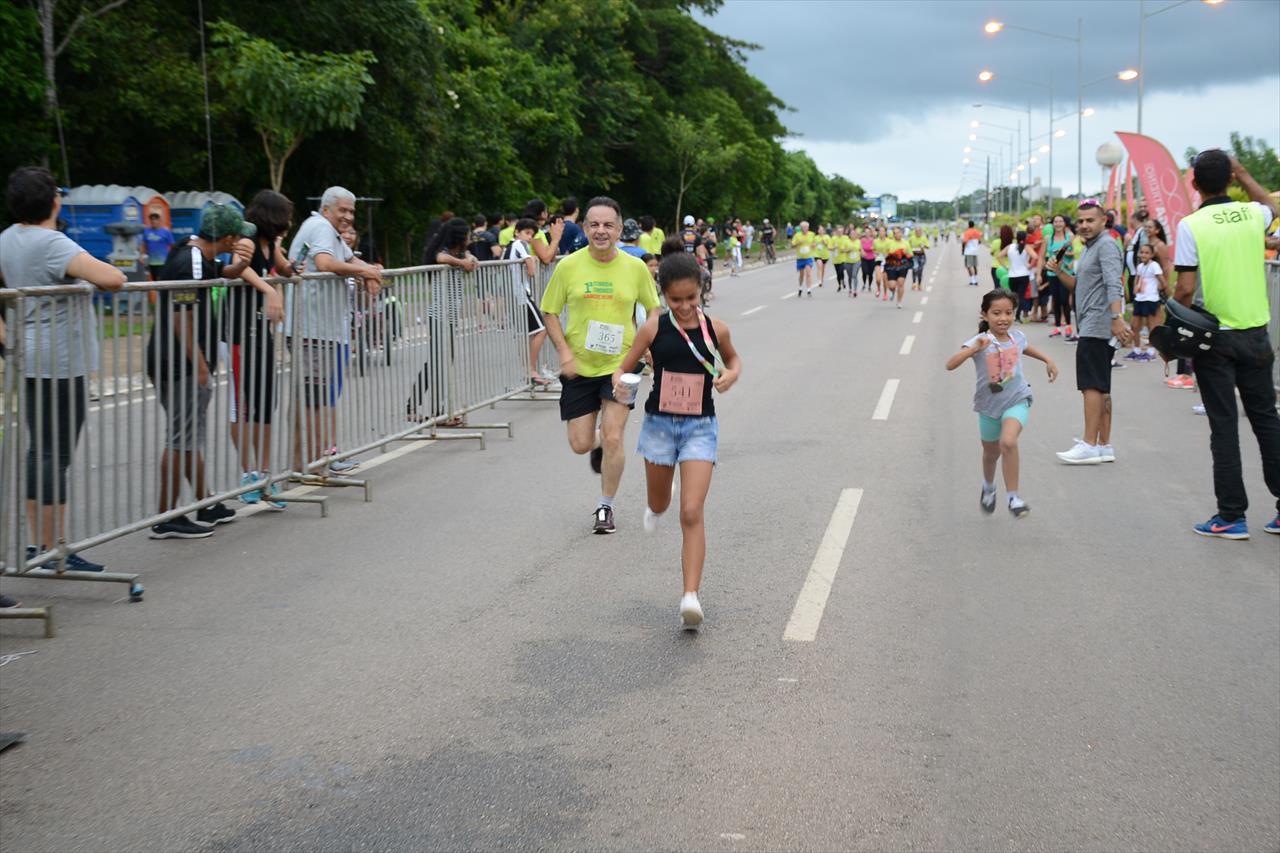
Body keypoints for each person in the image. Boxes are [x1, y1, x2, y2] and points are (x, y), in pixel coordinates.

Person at [0, 166, 125, 567]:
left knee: (41, 451)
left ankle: (40, 546)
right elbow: (113, 277)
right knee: (57, 455)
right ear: (53, 200)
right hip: (60, 361)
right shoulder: (52, 242)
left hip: (29, 355)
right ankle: (57, 548)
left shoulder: (8, 237)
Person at [612, 252, 742, 629]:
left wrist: (730, 377)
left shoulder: (716, 328)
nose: (684, 306)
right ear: (663, 296)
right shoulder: (653, 328)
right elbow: (625, 366)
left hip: (700, 427)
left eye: (691, 298)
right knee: (660, 503)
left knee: (691, 511)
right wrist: (620, 380)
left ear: (702, 291)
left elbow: (734, 361)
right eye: (676, 300)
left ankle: (690, 597)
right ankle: (656, 502)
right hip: (659, 426)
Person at [1172, 150, 1280, 539]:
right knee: (1267, 420)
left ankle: (1231, 516)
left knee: (1224, 425)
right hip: (1257, 333)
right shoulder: (1254, 214)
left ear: (1195, 184)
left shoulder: (1191, 225)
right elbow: (1269, 203)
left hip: (1216, 338)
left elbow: (1185, 289)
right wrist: (1244, 172)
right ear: (1231, 180)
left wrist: (1173, 329)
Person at [146, 204, 269, 538]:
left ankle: (204, 502)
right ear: (228, 238)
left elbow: (221, 274)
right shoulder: (191, 262)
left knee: (187, 437)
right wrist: (200, 364)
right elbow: (180, 315)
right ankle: (166, 516)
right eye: (237, 237)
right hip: (180, 362)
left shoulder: (192, 247)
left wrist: (241, 264)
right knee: (180, 438)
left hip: (172, 358)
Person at [540, 196, 660, 534]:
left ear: (620, 229)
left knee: (614, 436)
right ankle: (600, 447)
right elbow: (549, 311)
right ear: (584, 227)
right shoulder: (569, 267)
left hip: (622, 365)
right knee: (580, 443)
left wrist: (645, 346)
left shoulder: (635, 267)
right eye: (594, 224)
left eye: (608, 225)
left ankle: (605, 507)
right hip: (579, 366)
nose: (601, 231)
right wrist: (564, 352)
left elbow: (653, 309)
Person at [287, 187, 383, 474]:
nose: (347, 216)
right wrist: (367, 273)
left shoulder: (329, 231)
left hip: (322, 330)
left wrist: (371, 270)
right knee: (314, 400)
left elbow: (352, 260)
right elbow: (325, 263)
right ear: (327, 208)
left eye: (351, 211)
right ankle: (312, 464)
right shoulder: (320, 227)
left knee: (318, 398)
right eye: (342, 210)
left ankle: (315, 461)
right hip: (312, 329)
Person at [945, 288, 1058, 519]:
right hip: (988, 406)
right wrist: (974, 349)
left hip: (1017, 398)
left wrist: (1048, 359)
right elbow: (950, 364)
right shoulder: (980, 341)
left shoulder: (1017, 337)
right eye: (996, 313)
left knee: (1008, 442)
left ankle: (1013, 498)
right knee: (990, 454)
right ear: (985, 315)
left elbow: (1024, 348)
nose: (1003, 318)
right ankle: (988, 487)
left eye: (1008, 312)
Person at [220, 189, 292, 509]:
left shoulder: (272, 243)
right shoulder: (248, 237)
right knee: (243, 405)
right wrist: (269, 290)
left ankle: (265, 474)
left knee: (266, 402)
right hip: (237, 331)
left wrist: (293, 269)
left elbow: (286, 267)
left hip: (260, 329)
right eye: (285, 217)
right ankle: (247, 473)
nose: (288, 223)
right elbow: (241, 266)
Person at [1047, 200, 1133, 465]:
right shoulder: (1090, 248)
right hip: (1091, 322)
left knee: (1091, 385)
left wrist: (1117, 318)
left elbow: (1113, 284)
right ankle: (1103, 445)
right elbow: (1080, 285)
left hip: (1098, 324)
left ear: (1103, 221)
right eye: (1081, 221)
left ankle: (1088, 443)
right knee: (1101, 385)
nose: (1084, 225)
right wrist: (1059, 271)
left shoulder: (1106, 245)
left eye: (1090, 220)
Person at [410, 217, 475, 424]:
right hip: (439, 316)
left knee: (445, 362)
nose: (469, 238)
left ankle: (441, 409)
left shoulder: (458, 252)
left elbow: (470, 260)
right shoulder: (444, 252)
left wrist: (468, 257)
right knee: (436, 363)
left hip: (451, 317)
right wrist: (463, 262)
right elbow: (440, 258)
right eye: (467, 235)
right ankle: (418, 406)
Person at [1127, 242, 1164, 361]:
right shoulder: (1140, 267)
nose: (1143, 255)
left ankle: (1151, 351)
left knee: (1151, 326)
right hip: (1140, 299)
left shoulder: (1154, 266)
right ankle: (1137, 349)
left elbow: (1162, 282)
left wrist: (1157, 289)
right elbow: (1137, 279)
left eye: (1147, 253)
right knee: (1134, 325)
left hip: (1151, 299)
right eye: (1142, 252)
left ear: (1152, 255)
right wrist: (1135, 289)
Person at [1043, 214, 1075, 337]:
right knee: (1055, 299)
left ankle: (1068, 326)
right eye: (1056, 222)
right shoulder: (1048, 238)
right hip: (1052, 272)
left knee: (1064, 299)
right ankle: (1057, 327)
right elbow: (1043, 255)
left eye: (1060, 221)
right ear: (1053, 224)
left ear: (1064, 223)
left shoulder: (1070, 237)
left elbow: (1074, 252)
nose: (1058, 224)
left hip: (1066, 272)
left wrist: (1064, 252)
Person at [999, 230, 1036, 323]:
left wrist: (1006, 267)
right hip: (1024, 274)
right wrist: (1030, 266)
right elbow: (1035, 257)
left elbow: (999, 256)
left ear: (1016, 237)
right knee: (1022, 296)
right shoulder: (1027, 247)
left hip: (1012, 275)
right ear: (1025, 238)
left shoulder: (1010, 247)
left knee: (1014, 296)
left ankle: (1014, 314)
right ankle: (1019, 315)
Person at [882, 226, 912, 308]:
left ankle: (899, 301)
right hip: (891, 266)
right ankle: (893, 291)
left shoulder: (906, 243)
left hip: (902, 266)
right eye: (895, 233)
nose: (897, 234)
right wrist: (891, 254)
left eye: (898, 233)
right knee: (891, 286)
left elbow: (910, 255)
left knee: (901, 284)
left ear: (901, 233)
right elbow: (885, 254)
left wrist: (905, 254)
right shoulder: (889, 243)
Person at [141, 211, 175, 281]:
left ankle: (162, 292)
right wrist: (142, 256)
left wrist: (172, 258)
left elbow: (172, 245)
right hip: (151, 262)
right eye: (152, 220)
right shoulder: (146, 231)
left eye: (155, 219)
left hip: (163, 262)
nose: (153, 221)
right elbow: (144, 244)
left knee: (161, 280)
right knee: (154, 280)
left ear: (159, 221)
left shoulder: (166, 232)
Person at [792, 220, 815, 297]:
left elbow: (814, 243)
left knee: (808, 272)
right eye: (803, 227)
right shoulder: (797, 235)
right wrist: (798, 243)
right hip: (800, 258)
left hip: (808, 257)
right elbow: (792, 245)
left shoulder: (811, 234)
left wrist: (814, 245)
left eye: (806, 227)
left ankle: (809, 290)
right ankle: (800, 287)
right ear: (801, 228)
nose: (805, 229)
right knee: (801, 274)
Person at [962, 220, 983, 286]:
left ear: (969, 225)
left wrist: (963, 250)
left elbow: (965, 242)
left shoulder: (967, 232)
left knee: (969, 266)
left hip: (969, 251)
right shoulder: (977, 232)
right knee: (974, 266)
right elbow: (979, 241)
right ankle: (975, 279)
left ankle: (973, 280)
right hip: (975, 251)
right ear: (973, 225)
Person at [859, 226, 876, 292]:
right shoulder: (862, 240)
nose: (867, 234)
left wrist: (873, 249)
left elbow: (875, 248)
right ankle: (864, 284)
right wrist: (862, 251)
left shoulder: (873, 240)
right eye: (866, 232)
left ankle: (869, 285)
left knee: (870, 273)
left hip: (871, 258)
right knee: (864, 272)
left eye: (868, 232)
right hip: (864, 258)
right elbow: (860, 248)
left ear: (870, 233)